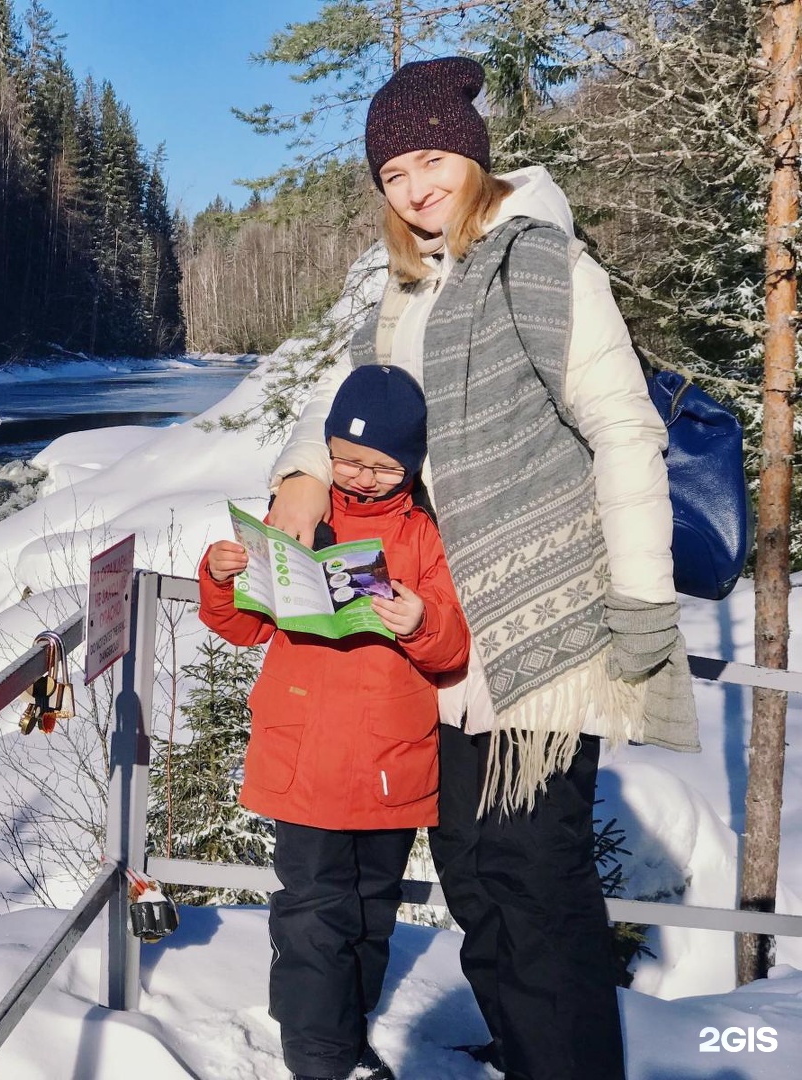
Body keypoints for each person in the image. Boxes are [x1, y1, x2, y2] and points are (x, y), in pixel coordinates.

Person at [263, 56, 700, 1080]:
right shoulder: (415, 289)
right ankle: (526, 1052)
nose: (415, 189)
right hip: (452, 636)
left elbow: (626, 432)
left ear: (470, 154)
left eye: (429, 161)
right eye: (393, 175)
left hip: (544, 630)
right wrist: (301, 471)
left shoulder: (543, 263)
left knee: (532, 885)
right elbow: (346, 398)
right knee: (471, 869)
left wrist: (641, 603)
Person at [200, 365, 471, 1080]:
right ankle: (319, 1059)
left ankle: (344, 1035)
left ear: (411, 464)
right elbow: (241, 627)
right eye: (348, 461)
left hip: (389, 764)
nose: (364, 477)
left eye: (384, 466)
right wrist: (222, 575)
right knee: (313, 914)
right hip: (306, 759)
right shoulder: (300, 521)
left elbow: (453, 646)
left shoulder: (423, 537)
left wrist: (420, 620)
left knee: (371, 912)